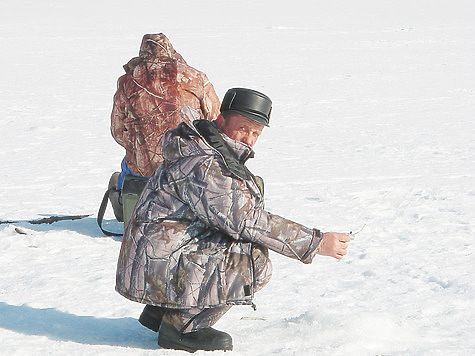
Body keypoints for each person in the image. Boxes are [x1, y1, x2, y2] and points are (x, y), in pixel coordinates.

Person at [115, 88, 351, 352]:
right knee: (252, 261)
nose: (248, 138)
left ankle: (163, 310)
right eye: (242, 128)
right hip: (155, 263)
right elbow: (247, 220)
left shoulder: (204, 145)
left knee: (234, 242)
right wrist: (316, 242)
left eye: (256, 133)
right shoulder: (205, 164)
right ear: (221, 121)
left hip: (155, 259)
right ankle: (181, 327)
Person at [108, 33, 220, 221]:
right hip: (190, 168)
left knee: (123, 170)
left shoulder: (127, 81)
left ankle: (126, 208)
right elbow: (216, 122)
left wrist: (139, 146)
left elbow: (117, 131)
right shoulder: (196, 77)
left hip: (143, 170)